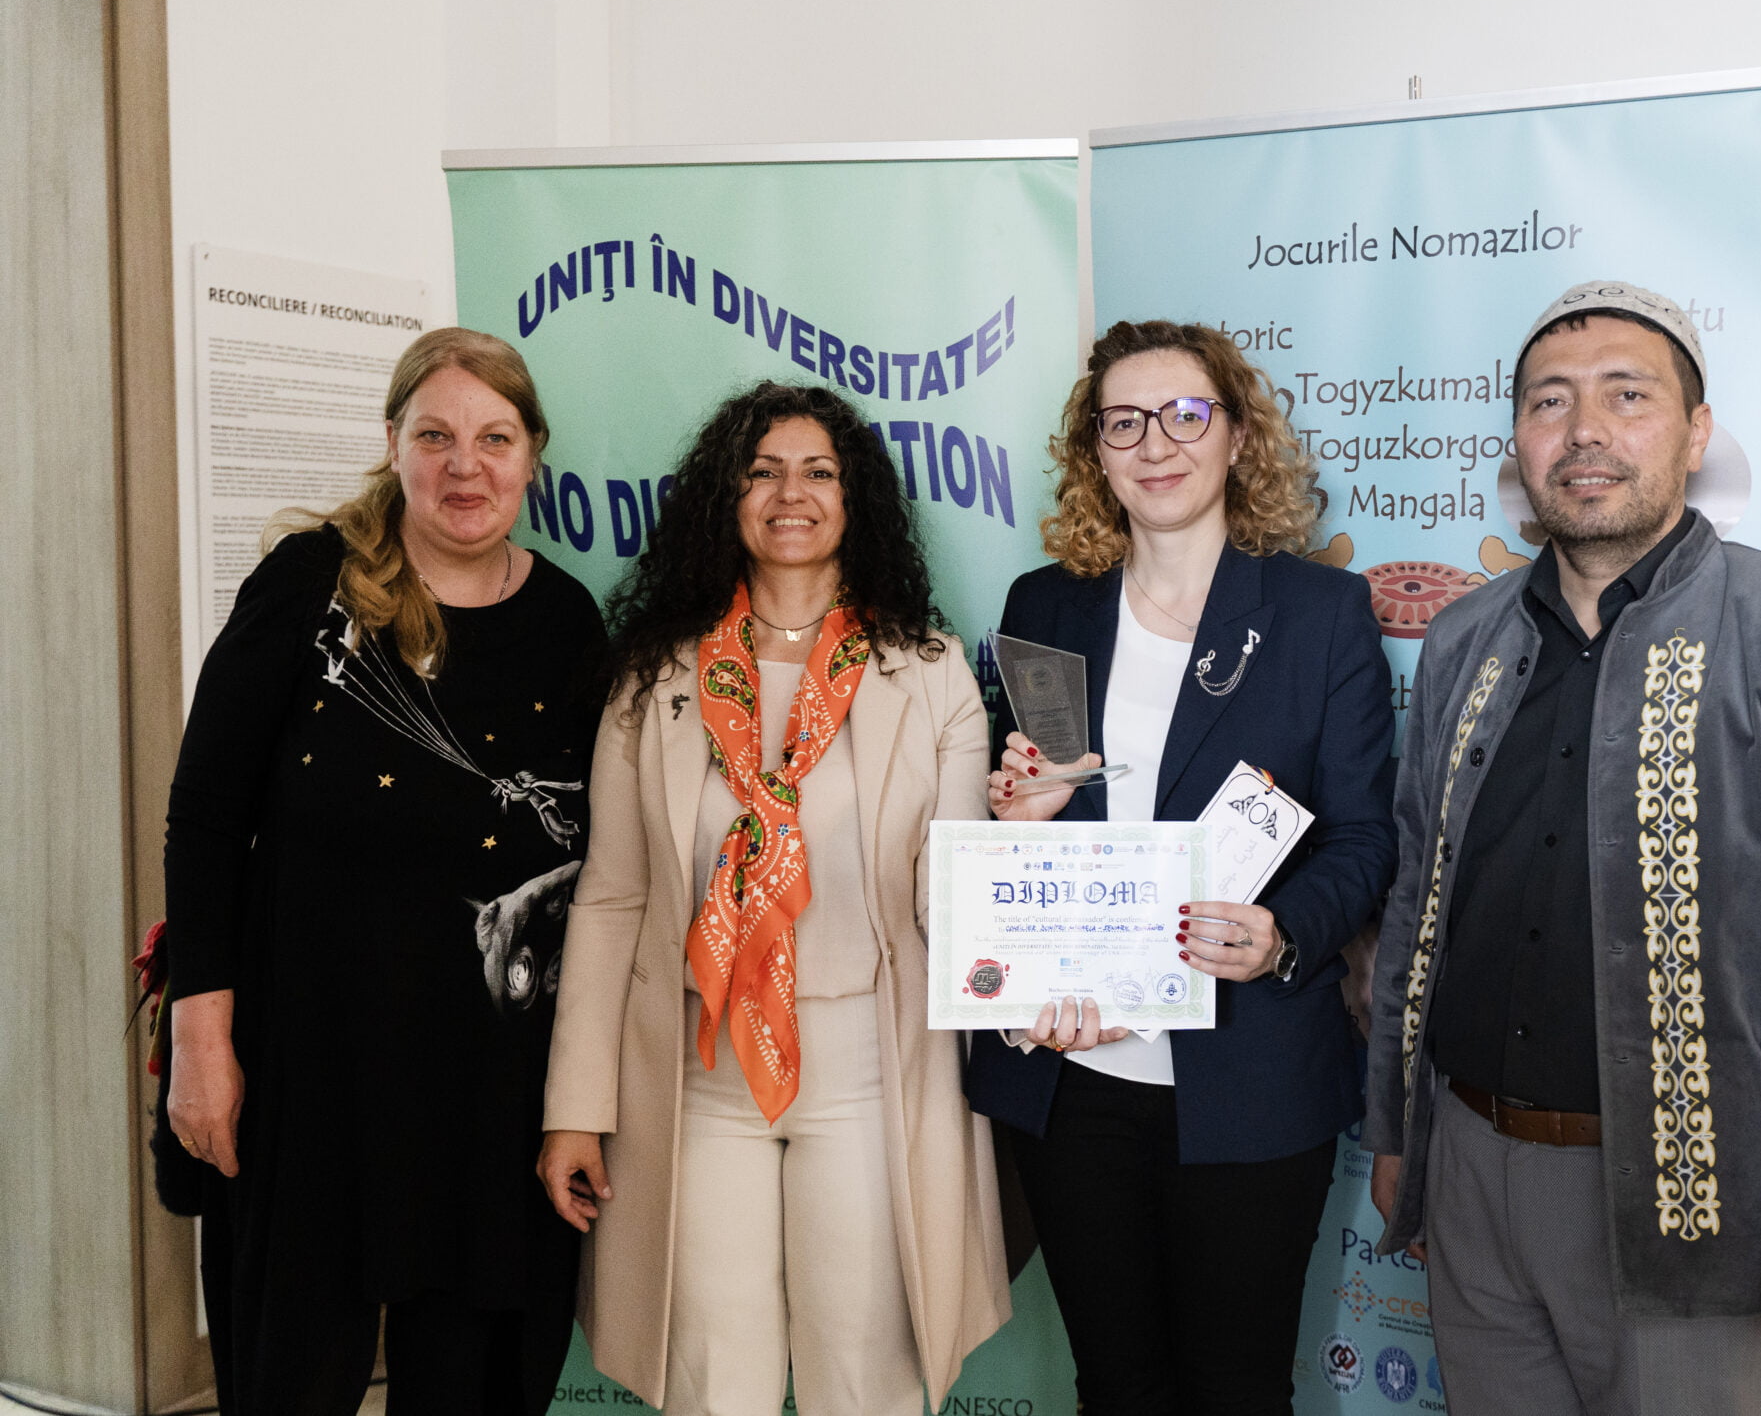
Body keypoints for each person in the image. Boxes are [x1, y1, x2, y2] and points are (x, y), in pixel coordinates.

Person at [1365, 281, 1761, 1415]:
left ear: (1694, 432)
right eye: (1549, 402)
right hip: (1470, 1173)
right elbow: (1412, 903)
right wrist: (1400, 1132)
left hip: (1699, 1205)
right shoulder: (1464, 637)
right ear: (1518, 440)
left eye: (1626, 396)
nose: (1583, 430)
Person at [536, 381, 1009, 1415]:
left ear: (854, 499)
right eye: (762, 472)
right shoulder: (654, 680)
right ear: (727, 499)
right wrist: (574, 1109)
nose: (790, 494)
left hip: (868, 1071)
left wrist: (1018, 867)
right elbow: (611, 900)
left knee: (866, 1373)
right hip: (697, 1075)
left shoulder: (928, 674)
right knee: (712, 1377)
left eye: (818, 472)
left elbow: (956, 888)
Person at [162, 327, 605, 1414]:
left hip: (490, 1087)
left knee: (473, 1381)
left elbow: (598, 867)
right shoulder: (309, 586)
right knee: (293, 1374)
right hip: (310, 1068)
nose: (466, 466)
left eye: (494, 438)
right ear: (394, 443)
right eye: (436, 436)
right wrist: (200, 1044)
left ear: (533, 454)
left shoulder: (568, 623)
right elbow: (205, 817)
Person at [967, 319, 1399, 1414]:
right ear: (1095, 452)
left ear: (1237, 436)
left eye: (1185, 414)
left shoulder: (1318, 613)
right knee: (1115, 1385)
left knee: (1235, 1388)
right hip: (1072, 1074)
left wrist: (1283, 932)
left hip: (1248, 1076)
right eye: (1124, 422)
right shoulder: (1044, 605)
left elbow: (1363, 837)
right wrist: (1023, 811)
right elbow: (1019, 843)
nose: (1155, 443)